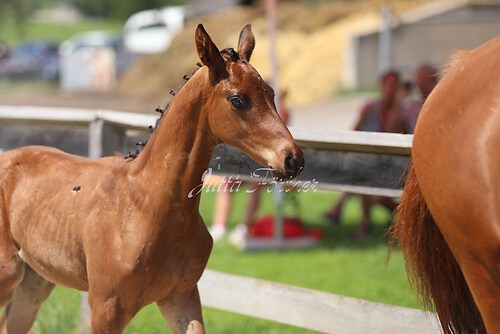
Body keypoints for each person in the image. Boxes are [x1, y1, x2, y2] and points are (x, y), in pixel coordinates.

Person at [324, 70, 407, 238]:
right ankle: (361, 221)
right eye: (389, 85)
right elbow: (354, 132)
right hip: (371, 164)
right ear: (381, 86)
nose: (391, 89)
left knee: (364, 178)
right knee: (363, 174)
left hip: (391, 167)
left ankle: (348, 214)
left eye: (394, 85)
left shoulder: (400, 112)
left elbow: (391, 137)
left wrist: (397, 106)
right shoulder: (370, 108)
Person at [209, 90, 290, 244]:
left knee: (256, 182)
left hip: (269, 168)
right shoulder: (253, 112)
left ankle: (245, 227)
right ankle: (220, 226)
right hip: (248, 165)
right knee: (227, 183)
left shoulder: (279, 112)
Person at [402, 63, 438, 133]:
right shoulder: (412, 107)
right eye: (419, 80)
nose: (419, 83)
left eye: (422, 80)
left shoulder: (440, 103)